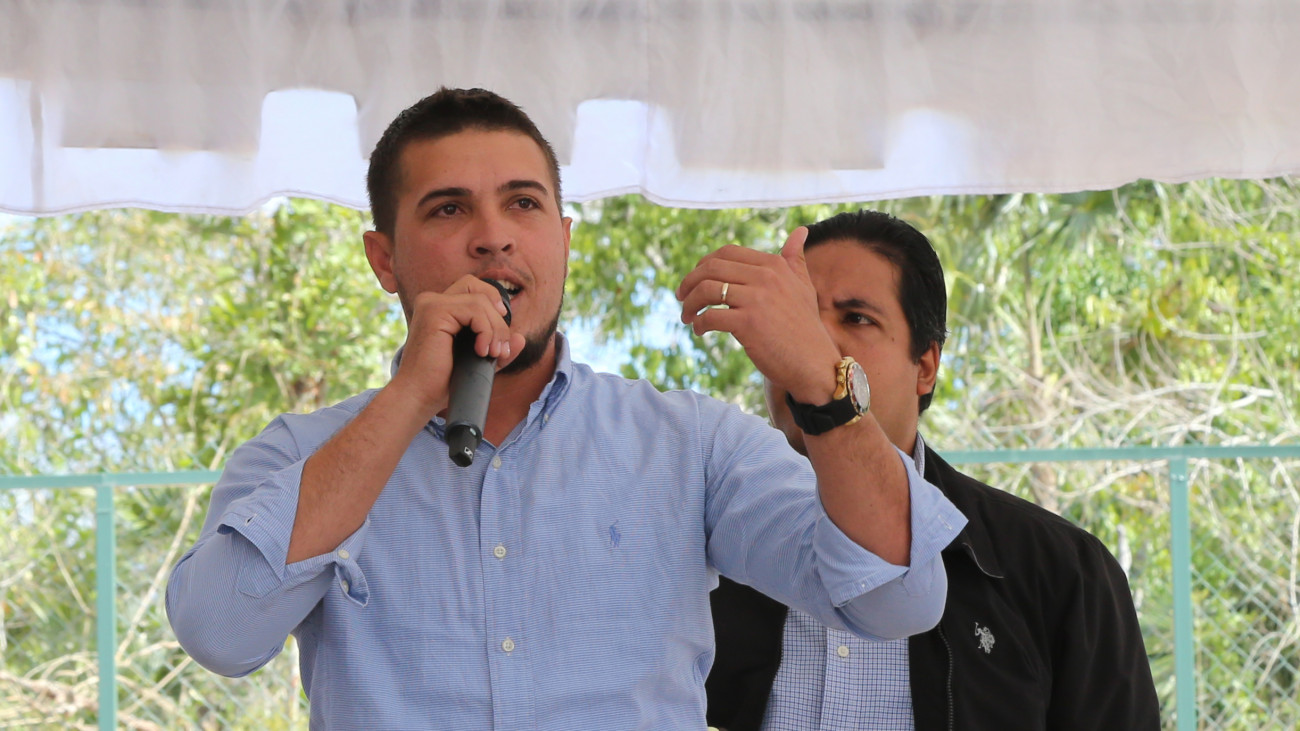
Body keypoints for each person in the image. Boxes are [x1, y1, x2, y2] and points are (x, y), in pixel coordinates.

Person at [164, 89, 966, 729]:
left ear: (564, 237)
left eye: (523, 204)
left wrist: (823, 387)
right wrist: (410, 398)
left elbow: (897, 599)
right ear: (384, 258)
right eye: (448, 209)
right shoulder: (301, 454)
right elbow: (220, 633)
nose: (493, 237)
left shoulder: (691, 443)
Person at [706, 210, 1162, 730]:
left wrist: (829, 397)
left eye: (856, 318)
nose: (813, 346)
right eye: (799, 320)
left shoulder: (1063, 572)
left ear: (925, 365)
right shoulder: (697, 543)